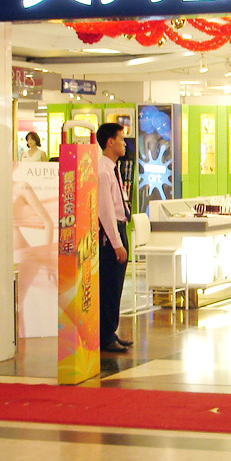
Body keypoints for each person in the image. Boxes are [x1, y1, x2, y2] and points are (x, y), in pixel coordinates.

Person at [96, 122, 132, 354]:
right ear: (110, 142)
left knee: (117, 285)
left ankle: (111, 330)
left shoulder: (113, 169)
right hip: (110, 234)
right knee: (109, 285)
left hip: (120, 227)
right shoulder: (102, 171)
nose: (125, 144)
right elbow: (106, 211)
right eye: (121, 139)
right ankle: (105, 335)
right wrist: (117, 243)